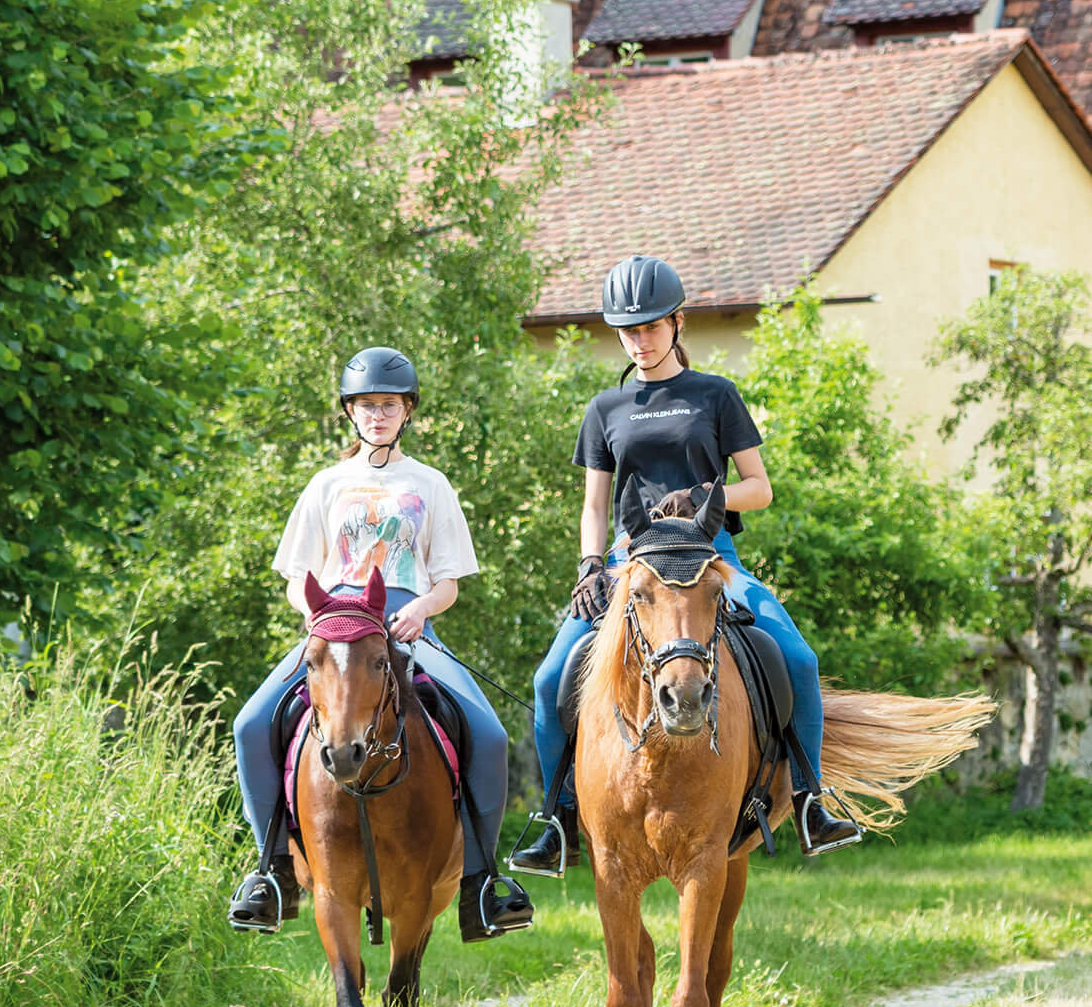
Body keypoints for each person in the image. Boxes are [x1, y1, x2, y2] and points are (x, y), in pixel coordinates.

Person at [510, 255, 863, 874]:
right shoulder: (605, 408)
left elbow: (760, 486)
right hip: (632, 567)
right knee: (548, 681)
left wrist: (709, 498)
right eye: (628, 331)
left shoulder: (715, 395)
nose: (639, 341)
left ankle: (810, 800)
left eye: (650, 327)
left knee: (798, 658)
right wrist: (591, 565)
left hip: (709, 560)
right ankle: (557, 817)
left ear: (677, 322)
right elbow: (596, 503)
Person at [229, 347, 537, 942]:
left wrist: (421, 609)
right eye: (367, 404)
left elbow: (447, 581)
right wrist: (320, 616)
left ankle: (480, 879)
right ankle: (270, 873)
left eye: (389, 405)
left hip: (404, 624)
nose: (377, 414)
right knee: (250, 724)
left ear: (407, 411)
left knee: (492, 736)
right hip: (335, 628)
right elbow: (298, 577)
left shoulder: (430, 483)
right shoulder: (326, 485)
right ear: (349, 411)